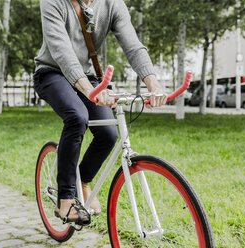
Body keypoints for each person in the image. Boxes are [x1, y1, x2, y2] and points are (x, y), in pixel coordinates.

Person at [33, 0, 167, 223]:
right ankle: (65, 198)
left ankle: (83, 181)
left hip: (89, 76)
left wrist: (153, 84)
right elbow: (61, 51)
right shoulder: (53, 2)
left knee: (108, 133)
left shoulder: (113, 4)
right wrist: (88, 89)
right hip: (51, 72)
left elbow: (133, 46)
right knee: (77, 117)